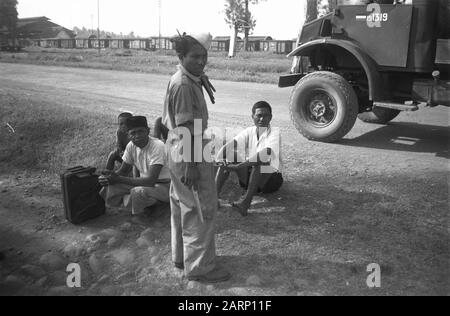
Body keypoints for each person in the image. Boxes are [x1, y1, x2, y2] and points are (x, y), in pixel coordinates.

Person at [162, 32, 231, 283]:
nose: (201, 61)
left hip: (182, 146)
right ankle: (200, 268)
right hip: (189, 148)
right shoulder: (183, 84)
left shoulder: (187, 77)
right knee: (200, 207)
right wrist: (191, 164)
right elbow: (185, 127)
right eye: (195, 56)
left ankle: (182, 257)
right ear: (181, 57)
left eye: (204, 56)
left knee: (183, 204)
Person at [215, 101, 283, 216]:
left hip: (270, 180)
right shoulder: (249, 131)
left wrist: (239, 166)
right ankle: (213, 198)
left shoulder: (275, 133)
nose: (262, 119)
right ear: (253, 117)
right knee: (229, 157)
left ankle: (245, 204)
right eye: (259, 115)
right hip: (250, 176)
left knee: (260, 163)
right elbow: (229, 146)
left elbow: (266, 153)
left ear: (270, 117)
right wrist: (219, 160)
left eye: (265, 115)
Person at [99, 116, 171, 216]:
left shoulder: (158, 146)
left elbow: (151, 180)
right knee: (111, 186)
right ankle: (143, 206)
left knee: (137, 192)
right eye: (133, 133)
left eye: (141, 131)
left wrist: (118, 178)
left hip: (164, 186)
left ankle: (142, 217)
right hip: (145, 183)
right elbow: (123, 171)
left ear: (148, 131)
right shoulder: (131, 146)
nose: (137, 136)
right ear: (128, 135)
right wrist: (109, 177)